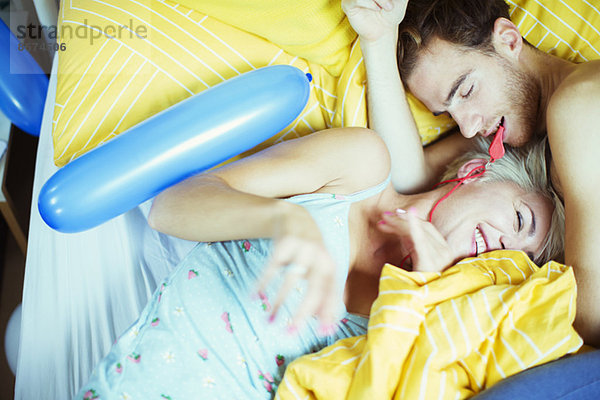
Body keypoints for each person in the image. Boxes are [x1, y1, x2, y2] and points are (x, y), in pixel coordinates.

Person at [76, 125, 562, 398]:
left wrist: (416, 290)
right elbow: (170, 207)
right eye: (519, 220)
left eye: (521, 261)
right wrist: (281, 219)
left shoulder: (430, 317)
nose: (503, 248)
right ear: (477, 172)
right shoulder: (360, 168)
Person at [342, 0, 600, 345]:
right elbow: (408, 179)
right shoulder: (524, 135)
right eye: (448, 114)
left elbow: (587, 315)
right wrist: (377, 41)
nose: (465, 128)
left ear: (509, 40)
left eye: (465, 90)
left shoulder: (580, 104)